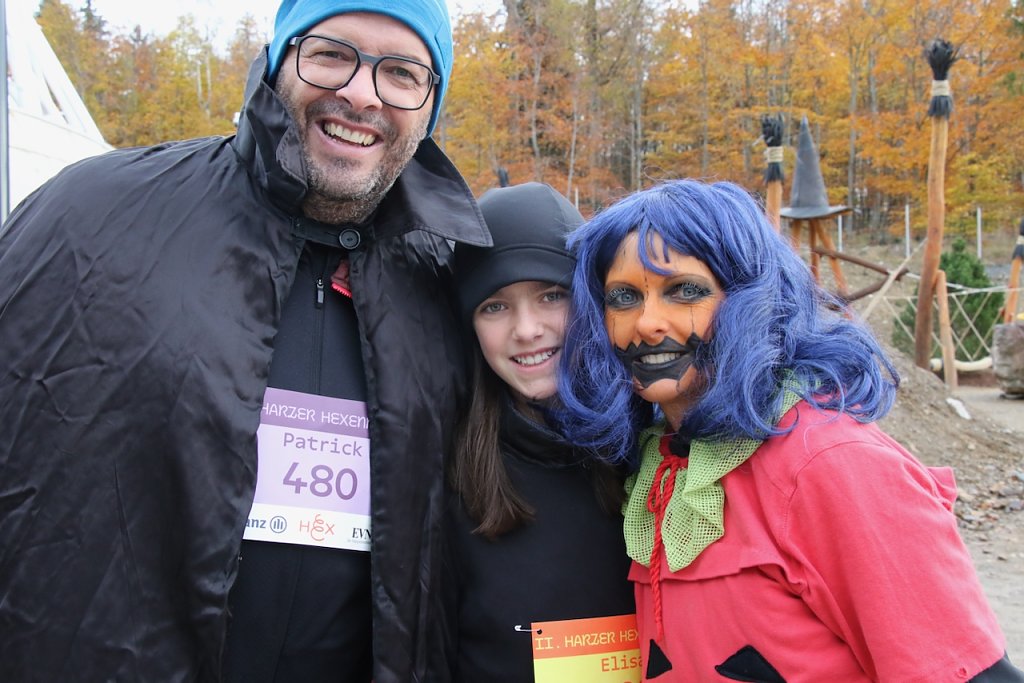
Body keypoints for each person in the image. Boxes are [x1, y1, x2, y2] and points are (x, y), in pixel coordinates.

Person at [0, 1, 490, 681]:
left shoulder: (452, 283)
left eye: (402, 73)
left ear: (429, 108)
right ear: (278, 60)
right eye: (332, 54)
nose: (360, 93)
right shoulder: (94, 217)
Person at [556, 179, 1023, 681]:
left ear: (749, 300)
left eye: (684, 291)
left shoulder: (832, 462)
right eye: (623, 297)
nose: (647, 322)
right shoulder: (657, 465)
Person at [444, 182, 636, 682]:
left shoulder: (656, 449)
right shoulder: (445, 472)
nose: (526, 329)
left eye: (551, 296)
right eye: (495, 306)